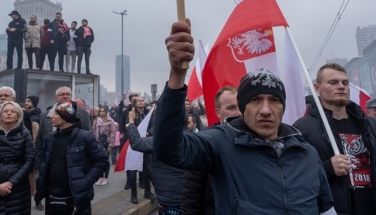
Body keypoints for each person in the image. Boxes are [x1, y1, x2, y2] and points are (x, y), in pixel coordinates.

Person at [153, 20, 336, 215]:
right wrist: (177, 75)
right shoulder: (220, 144)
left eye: (274, 100)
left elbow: (325, 208)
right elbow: (168, 149)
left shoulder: (307, 153)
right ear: (242, 107)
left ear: (283, 107)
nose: (266, 110)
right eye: (255, 100)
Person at [294, 63, 376, 214]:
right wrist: (327, 168)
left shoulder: (370, 125)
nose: (341, 86)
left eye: (345, 82)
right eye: (333, 82)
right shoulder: (303, 129)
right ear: (317, 88)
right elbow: (294, 178)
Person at [36, 101, 108, 214]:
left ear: (64, 118)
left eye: (55, 114)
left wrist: (86, 181)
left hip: (76, 197)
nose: (51, 117)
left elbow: (102, 160)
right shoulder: (50, 138)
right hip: (52, 197)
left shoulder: (84, 137)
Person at [183, 86, 241, 215]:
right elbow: (191, 196)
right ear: (217, 112)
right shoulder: (204, 144)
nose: (238, 113)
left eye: (240, 107)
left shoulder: (254, 141)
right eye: (231, 108)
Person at [34, 86, 92, 210]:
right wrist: (38, 163)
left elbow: (89, 135)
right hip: (52, 165)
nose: (65, 96)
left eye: (68, 94)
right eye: (62, 94)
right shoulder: (46, 116)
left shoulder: (81, 112)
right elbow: (39, 140)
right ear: (56, 98)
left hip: (75, 165)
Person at [128, 111, 184, 213]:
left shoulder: (159, 142)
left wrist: (131, 122)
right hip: (186, 196)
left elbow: (136, 142)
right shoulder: (191, 139)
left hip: (168, 199)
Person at [93, 107, 116, 186]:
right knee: (98, 161)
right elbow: (94, 132)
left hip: (106, 143)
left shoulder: (111, 121)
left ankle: (105, 177)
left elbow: (113, 134)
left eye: (103, 111)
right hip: (98, 143)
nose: (101, 113)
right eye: (100, 111)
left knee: (105, 161)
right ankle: (100, 177)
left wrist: (110, 145)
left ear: (106, 112)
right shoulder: (97, 120)